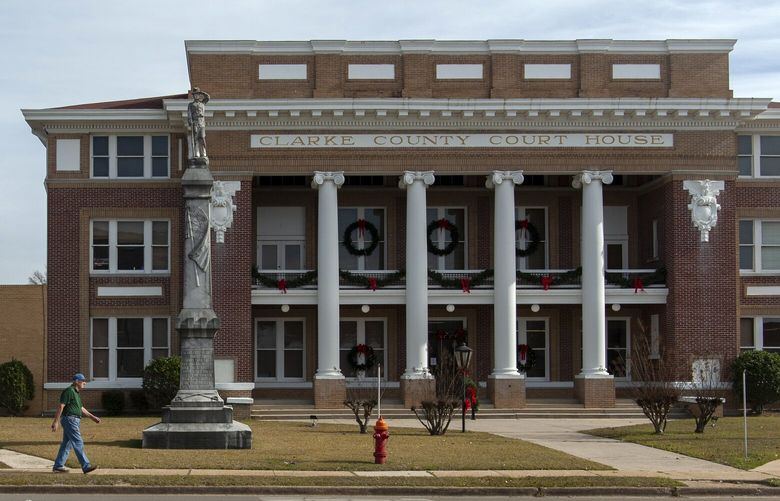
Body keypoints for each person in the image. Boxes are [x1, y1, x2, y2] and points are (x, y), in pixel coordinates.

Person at [51, 373, 101, 473]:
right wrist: (56, 422)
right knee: (78, 442)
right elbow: (61, 406)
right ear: (76, 382)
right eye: (83, 381)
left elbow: (81, 408)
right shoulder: (69, 391)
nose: (84, 383)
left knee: (67, 444)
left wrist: (92, 417)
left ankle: (58, 466)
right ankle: (86, 466)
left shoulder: (76, 393)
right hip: (70, 420)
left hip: (74, 420)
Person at [187, 87, 210, 159]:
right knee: (195, 138)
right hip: (195, 122)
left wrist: (202, 92)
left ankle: (203, 153)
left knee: (202, 138)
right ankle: (196, 153)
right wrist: (190, 121)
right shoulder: (191, 104)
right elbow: (189, 113)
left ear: (199, 95)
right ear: (193, 96)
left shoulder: (202, 103)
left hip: (201, 122)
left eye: (197, 94)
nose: (196, 96)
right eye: (195, 94)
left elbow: (208, 97)